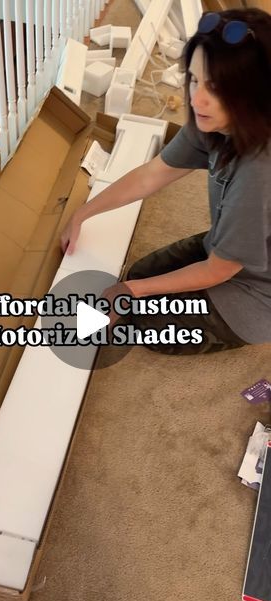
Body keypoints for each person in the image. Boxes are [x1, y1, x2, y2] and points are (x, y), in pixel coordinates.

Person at [60, 8, 271, 355]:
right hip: (234, 245)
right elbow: (151, 174)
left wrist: (134, 291)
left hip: (257, 293)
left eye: (215, 88)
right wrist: (83, 213)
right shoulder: (213, 121)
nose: (196, 98)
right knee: (140, 273)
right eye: (193, 79)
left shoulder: (258, 174)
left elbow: (219, 270)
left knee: (151, 325)